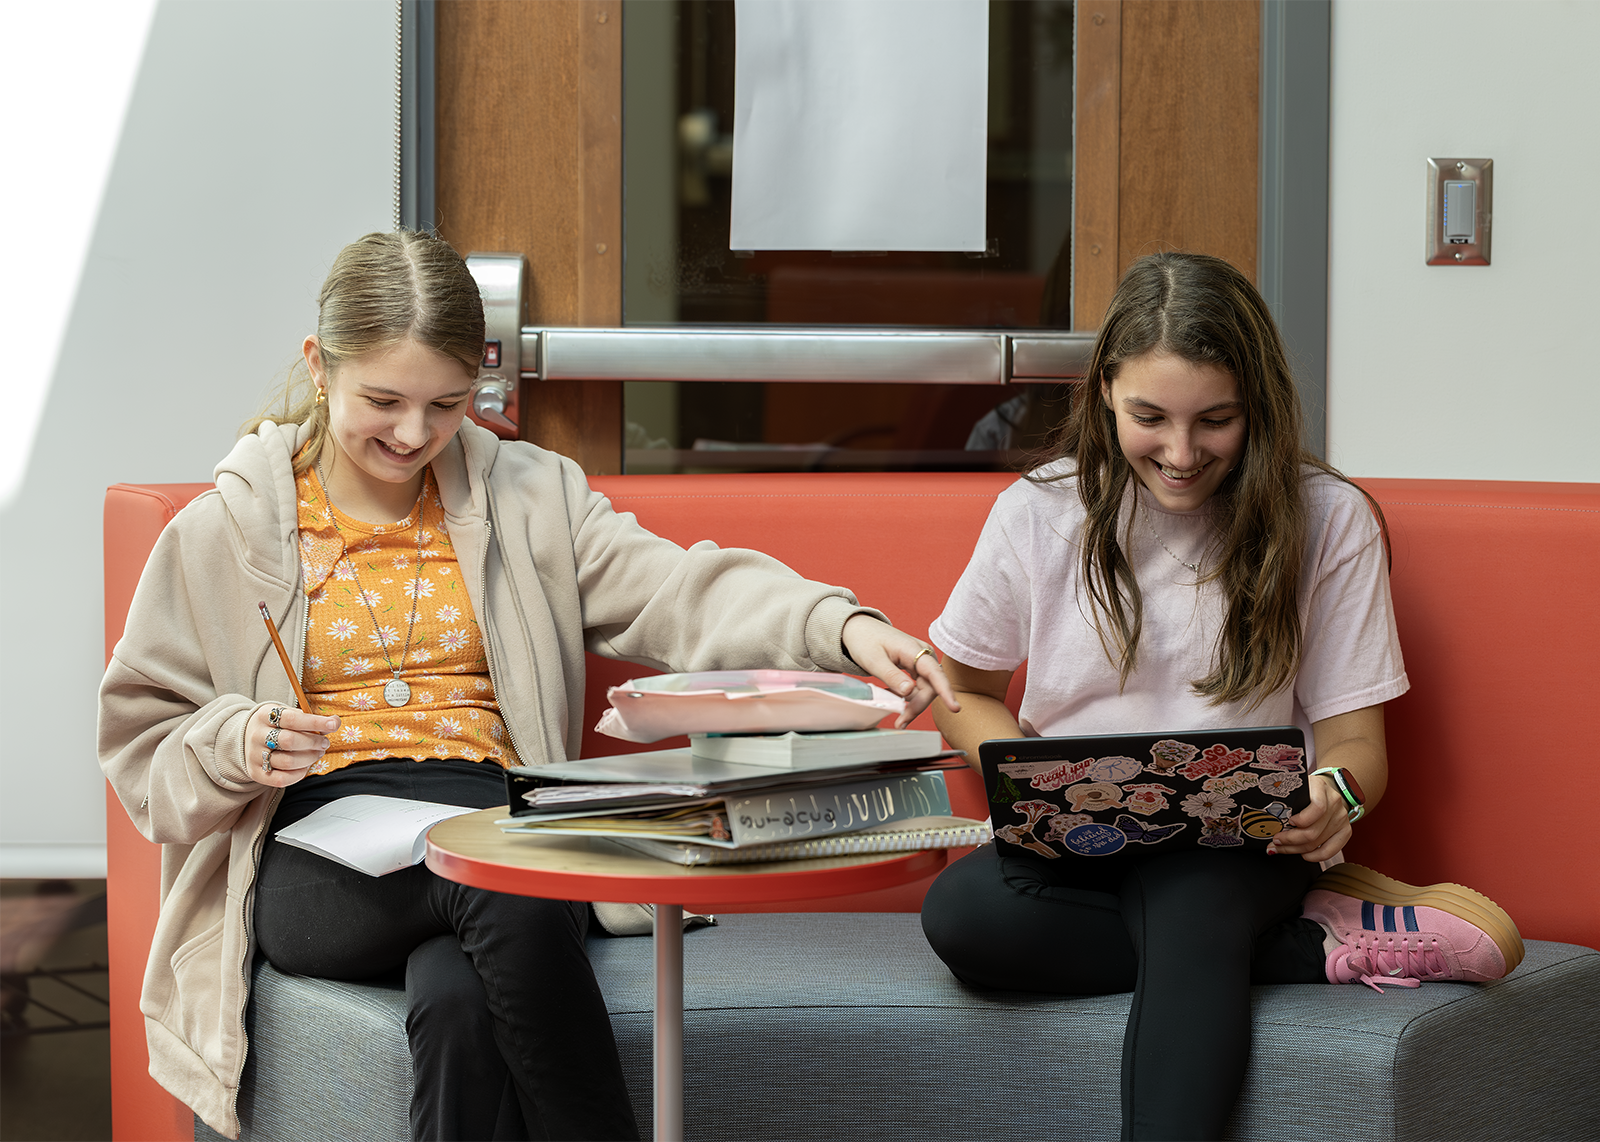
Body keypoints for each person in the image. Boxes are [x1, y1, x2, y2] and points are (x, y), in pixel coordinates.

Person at [97, 230, 957, 1142]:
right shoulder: (219, 531)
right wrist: (240, 739)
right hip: (317, 846)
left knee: (461, 998)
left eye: (448, 403)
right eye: (383, 401)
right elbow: (142, 739)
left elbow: (677, 589)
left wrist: (842, 627)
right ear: (320, 366)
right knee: (510, 883)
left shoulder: (530, 497)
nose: (414, 434)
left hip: (494, 808)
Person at [919, 251, 1521, 1142]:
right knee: (964, 917)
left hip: (1244, 846)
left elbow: (1359, 749)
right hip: (1080, 838)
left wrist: (1337, 797)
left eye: (1216, 420)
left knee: (1192, 898)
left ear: (1259, 407)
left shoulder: (1329, 520)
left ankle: (1246, 932)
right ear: (1102, 396)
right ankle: (1318, 941)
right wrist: (1018, 775)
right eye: (1149, 418)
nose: (1181, 452)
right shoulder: (1038, 512)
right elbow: (958, 688)